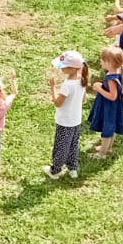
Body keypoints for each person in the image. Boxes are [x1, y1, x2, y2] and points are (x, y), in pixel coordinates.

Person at [45, 51, 86, 180]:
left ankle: (55, 171)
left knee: (61, 146)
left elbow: (58, 103)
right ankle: (72, 168)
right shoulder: (82, 80)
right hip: (76, 120)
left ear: (72, 69)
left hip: (64, 121)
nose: (61, 68)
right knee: (73, 144)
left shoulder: (67, 85)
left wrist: (53, 88)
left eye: (63, 66)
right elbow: (83, 99)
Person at [88, 45, 123, 158]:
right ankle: (108, 147)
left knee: (108, 127)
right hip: (113, 106)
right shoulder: (117, 71)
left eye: (102, 60)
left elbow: (112, 96)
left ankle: (102, 153)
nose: (100, 61)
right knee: (112, 127)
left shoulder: (111, 78)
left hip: (109, 107)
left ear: (109, 63)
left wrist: (99, 88)